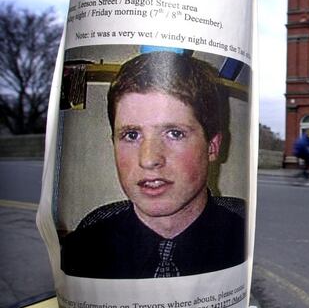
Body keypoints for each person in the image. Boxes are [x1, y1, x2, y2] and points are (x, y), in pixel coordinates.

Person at [60, 51, 245, 279]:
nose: (148, 159)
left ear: (212, 147)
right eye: (131, 135)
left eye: (174, 133)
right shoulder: (82, 251)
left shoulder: (249, 243)